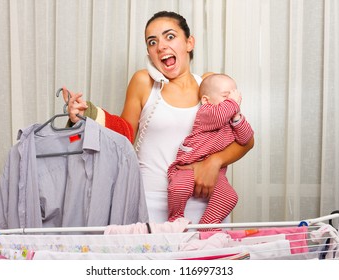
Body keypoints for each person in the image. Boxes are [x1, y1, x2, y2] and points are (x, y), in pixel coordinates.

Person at [63, 11, 254, 224]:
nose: (161, 46)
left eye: (170, 37)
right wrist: (85, 114)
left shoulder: (210, 85)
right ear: (149, 53)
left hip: (206, 201)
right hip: (149, 201)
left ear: (189, 43)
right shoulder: (144, 81)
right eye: (152, 42)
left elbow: (245, 139)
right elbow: (124, 133)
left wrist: (214, 162)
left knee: (208, 252)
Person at [167, 74, 254, 229]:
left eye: (234, 96)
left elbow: (246, 138)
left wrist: (237, 118)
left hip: (214, 173)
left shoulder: (230, 120)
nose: (233, 100)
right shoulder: (206, 113)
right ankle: (176, 219)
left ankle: (207, 226)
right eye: (226, 96)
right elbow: (220, 115)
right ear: (206, 100)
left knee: (229, 197)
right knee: (178, 188)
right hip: (188, 166)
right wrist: (233, 103)